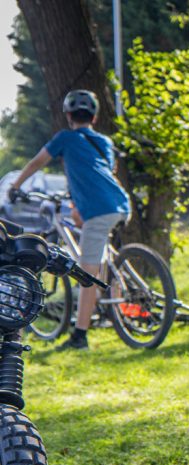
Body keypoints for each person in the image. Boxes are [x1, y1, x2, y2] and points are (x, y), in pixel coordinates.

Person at [7, 90, 130, 351]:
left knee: (87, 274)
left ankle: (80, 337)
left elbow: (37, 163)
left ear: (69, 116)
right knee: (101, 257)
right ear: (94, 118)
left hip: (99, 209)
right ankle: (115, 309)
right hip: (120, 203)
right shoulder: (104, 142)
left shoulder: (66, 138)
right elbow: (101, 172)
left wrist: (15, 186)